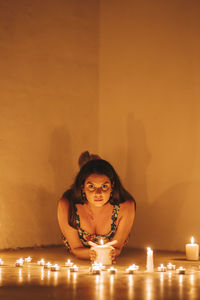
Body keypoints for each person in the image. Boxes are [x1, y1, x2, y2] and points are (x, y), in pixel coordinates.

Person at [57, 151, 136, 263]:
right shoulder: (67, 204)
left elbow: (117, 248)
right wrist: (93, 254)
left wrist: (112, 253)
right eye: (91, 186)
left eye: (104, 186)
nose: (98, 193)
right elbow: (76, 249)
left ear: (112, 186)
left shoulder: (126, 206)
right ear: (82, 186)